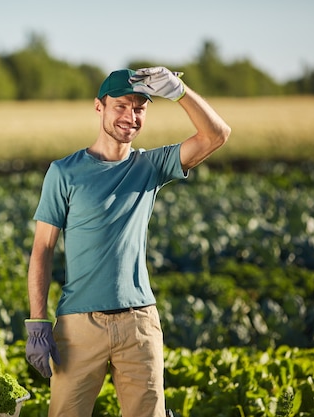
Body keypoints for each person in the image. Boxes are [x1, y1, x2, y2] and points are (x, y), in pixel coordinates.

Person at [24, 67, 231, 417]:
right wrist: (38, 321)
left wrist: (179, 91)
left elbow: (216, 135)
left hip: (139, 324)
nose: (130, 117)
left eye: (139, 108)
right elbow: (42, 249)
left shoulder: (150, 166)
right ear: (98, 107)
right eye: (121, 106)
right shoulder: (65, 172)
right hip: (79, 326)